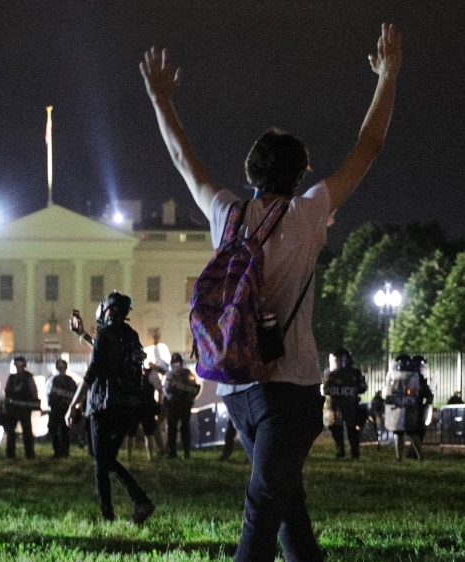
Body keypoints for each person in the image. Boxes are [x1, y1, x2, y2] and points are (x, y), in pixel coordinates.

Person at [141, 22, 401, 561]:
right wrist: (389, 74)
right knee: (267, 508)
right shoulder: (308, 215)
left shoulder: (227, 214)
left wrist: (161, 99)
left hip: (237, 383)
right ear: (302, 171)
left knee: (284, 506)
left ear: (251, 172)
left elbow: (182, 159)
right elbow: (369, 146)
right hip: (290, 389)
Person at [65, 292, 154, 524]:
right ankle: (137, 502)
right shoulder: (131, 335)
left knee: (100, 460)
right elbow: (106, 353)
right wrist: (82, 334)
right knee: (106, 459)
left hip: (103, 405)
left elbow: (93, 369)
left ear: (109, 311)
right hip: (127, 406)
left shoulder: (105, 334)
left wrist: (73, 404)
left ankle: (114, 513)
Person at [324, 348, 368, 459]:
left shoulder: (354, 373)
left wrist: (353, 390)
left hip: (350, 405)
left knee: (352, 429)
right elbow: (326, 389)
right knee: (336, 428)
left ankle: (355, 451)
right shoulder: (331, 374)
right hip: (335, 406)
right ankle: (340, 450)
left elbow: (363, 387)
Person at [163, 353, 201, 459]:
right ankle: (172, 452)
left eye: (178, 362)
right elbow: (165, 390)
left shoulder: (187, 373)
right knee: (172, 429)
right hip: (173, 405)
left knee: (185, 429)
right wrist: (171, 399)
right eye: (174, 362)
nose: (176, 364)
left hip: (184, 404)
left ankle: (186, 452)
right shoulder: (169, 375)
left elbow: (194, 388)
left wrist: (188, 395)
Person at [2, 356, 39, 459]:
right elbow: (7, 391)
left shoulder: (28, 377)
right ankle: (10, 453)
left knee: (27, 431)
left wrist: (32, 403)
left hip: (24, 407)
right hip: (13, 408)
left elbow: (33, 392)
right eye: (17, 365)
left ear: (24, 366)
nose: (18, 367)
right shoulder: (12, 377)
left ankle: (29, 453)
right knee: (11, 431)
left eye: (20, 365)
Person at [46, 359, 77, 458]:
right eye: (59, 367)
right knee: (52, 428)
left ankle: (65, 452)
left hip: (65, 409)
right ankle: (57, 451)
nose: (61, 369)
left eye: (63, 367)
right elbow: (49, 393)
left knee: (64, 430)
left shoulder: (70, 380)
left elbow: (74, 395)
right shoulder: (53, 379)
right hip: (55, 408)